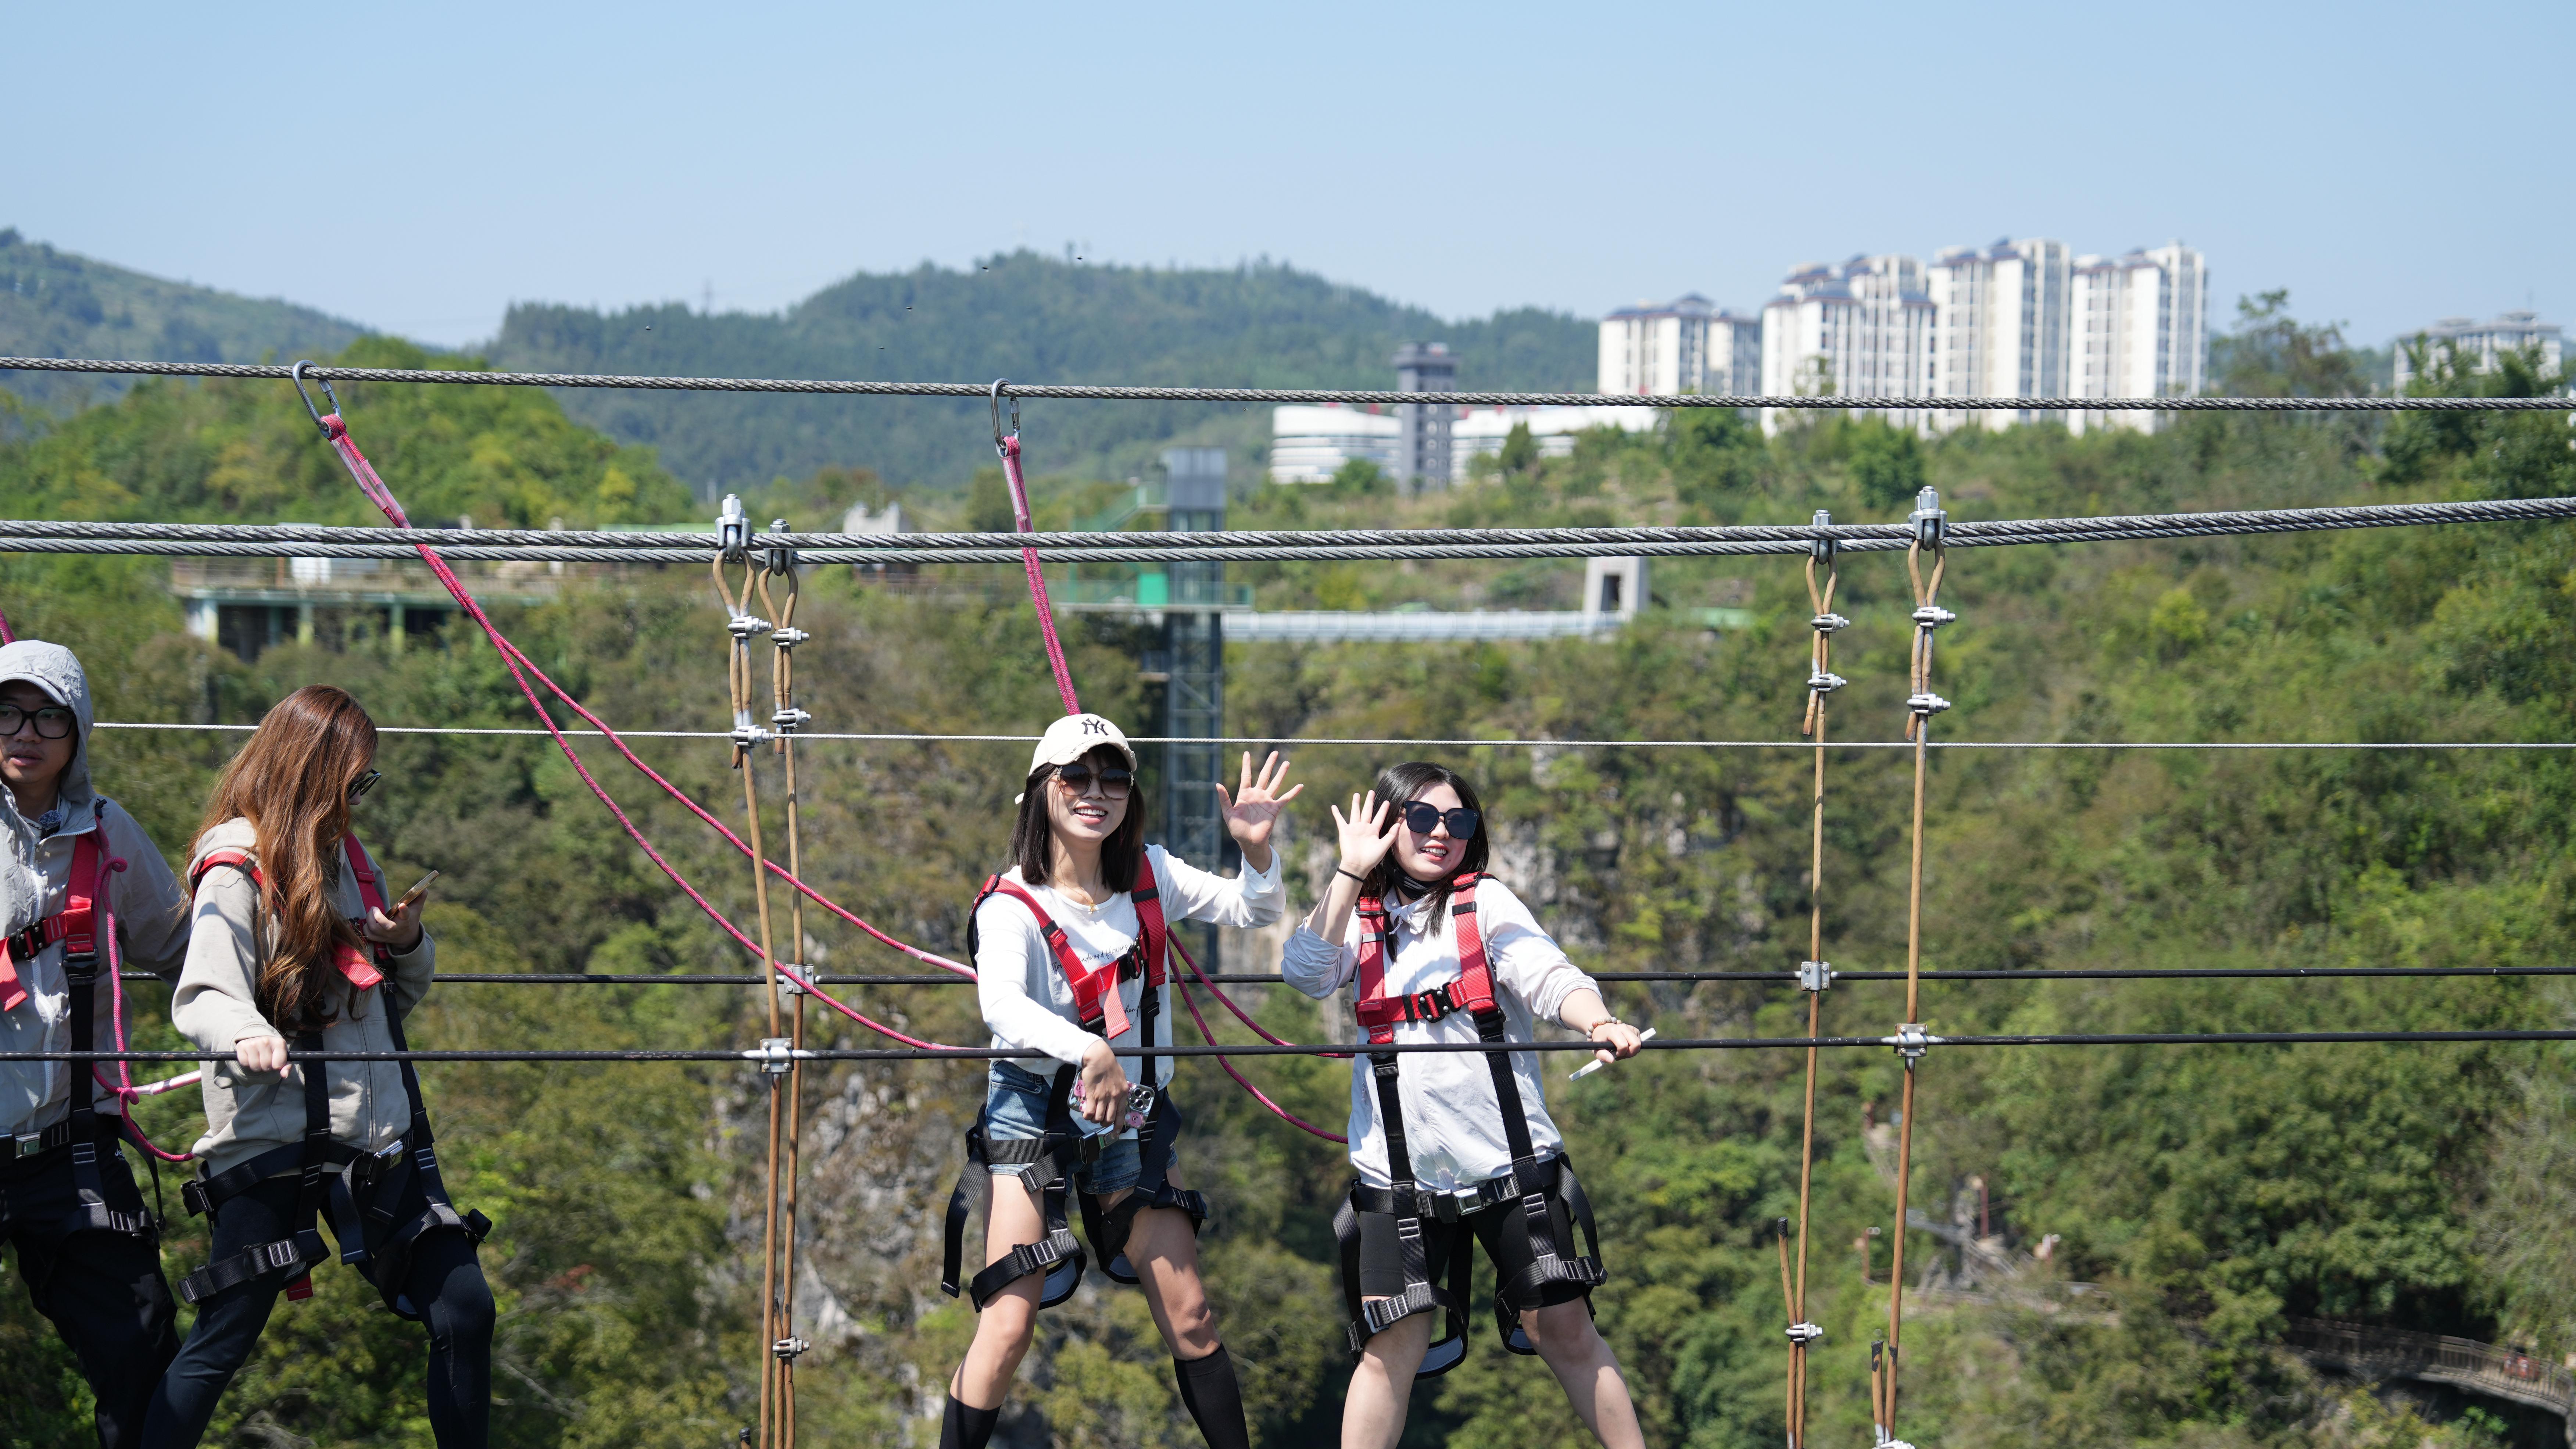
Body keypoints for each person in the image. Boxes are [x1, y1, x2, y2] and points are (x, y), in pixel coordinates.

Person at [938, 713, 1299, 1449]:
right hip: (1033, 1112)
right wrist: (1088, 1051)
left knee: (1190, 1314)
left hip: (1130, 1116)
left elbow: (1250, 908)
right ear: (1043, 790)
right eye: (1077, 777)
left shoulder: (1150, 875)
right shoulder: (1011, 908)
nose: (1096, 793)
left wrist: (1257, 854)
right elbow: (1000, 1005)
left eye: (1115, 778)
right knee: (1008, 1324)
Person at [145, 685, 492, 1448]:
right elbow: (204, 992)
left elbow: (392, 1000)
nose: (358, 801)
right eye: (353, 783)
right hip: (277, 1145)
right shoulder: (236, 867)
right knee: (223, 1340)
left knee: (465, 1309)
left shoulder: (345, 862)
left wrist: (402, 942)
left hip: (376, 1144)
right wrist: (244, 1034)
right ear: (313, 772)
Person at [1283, 762, 1647, 1449]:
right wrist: (1349, 872)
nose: (1440, 834)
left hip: (1510, 1164)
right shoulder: (1358, 916)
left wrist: (1598, 1021)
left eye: (1459, 822)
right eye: (1422, 818)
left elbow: (1551, 977)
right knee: (1390, 1344)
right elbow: (1304, 970)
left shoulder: (1487, 904)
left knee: (1563, 1328)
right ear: (1390, 824)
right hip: (1400, 1174)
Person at [0, 640, 192, 1449]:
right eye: (8, 711)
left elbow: (185, 946)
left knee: (143, 1355)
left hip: (71, 1149)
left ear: (77, 733)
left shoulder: (106, 835)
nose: (27, 732)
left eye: (50, 715)